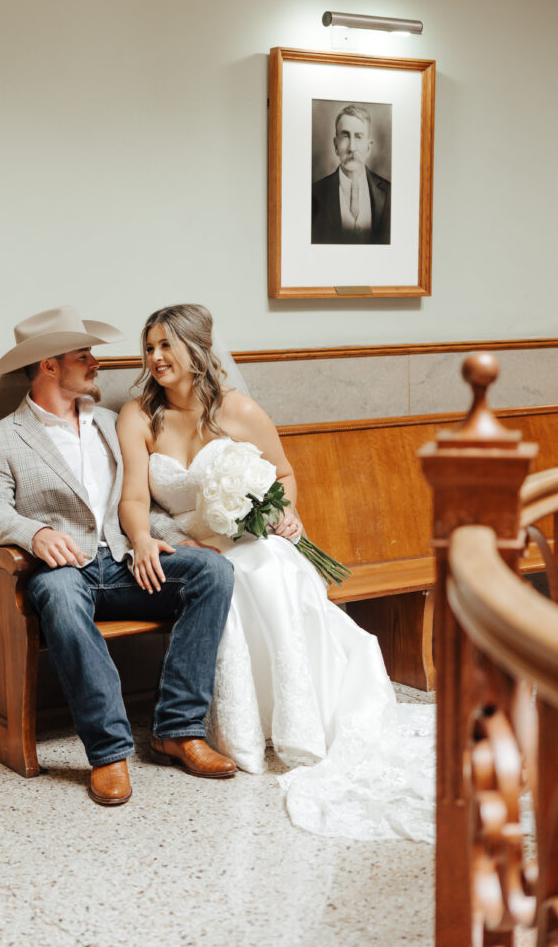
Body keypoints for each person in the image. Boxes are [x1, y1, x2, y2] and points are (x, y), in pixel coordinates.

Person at [117, 304, 434, 841]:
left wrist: (282, 511)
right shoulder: (138, 416)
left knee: (269, 565)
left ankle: (295, 719)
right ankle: (238, 730)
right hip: (190, 549)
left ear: (197, 350)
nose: (155, 358)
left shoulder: (241, 411)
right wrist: (145, 538)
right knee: (222, 579)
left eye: (166, 346)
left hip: (249, 537)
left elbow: (281, 473)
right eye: (149, 347)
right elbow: (132, 497)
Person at [0, 305, 237, 809]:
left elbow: (139, 500)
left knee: (212, 572)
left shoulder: (113, 423)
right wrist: (36, 532)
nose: (97, 363)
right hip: (62, 573)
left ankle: (177, 731)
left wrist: (159, 538)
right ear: (50, 365)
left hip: (122, 565)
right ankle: (109, 752)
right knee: (62, 596)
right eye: (84, 355)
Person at [311, 104, 391, 245]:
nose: (352, 147)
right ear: (336, 146)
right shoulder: (315, 193)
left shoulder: (389, 192)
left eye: (359, 137)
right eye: (345, 136)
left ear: (368, 147)